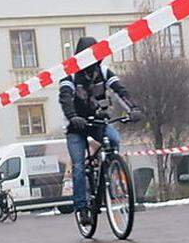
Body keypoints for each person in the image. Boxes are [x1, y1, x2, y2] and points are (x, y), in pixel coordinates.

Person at [59, 36, 139, 227]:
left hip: (97, 122)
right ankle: (82, 207)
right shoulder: (70, 76)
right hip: (76, 126)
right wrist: (72, 116)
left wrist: (133, 108)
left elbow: (120, 91)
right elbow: (65, 98)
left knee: (114, 138)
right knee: (78, 166)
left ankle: (109, 170)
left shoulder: (103, 72)